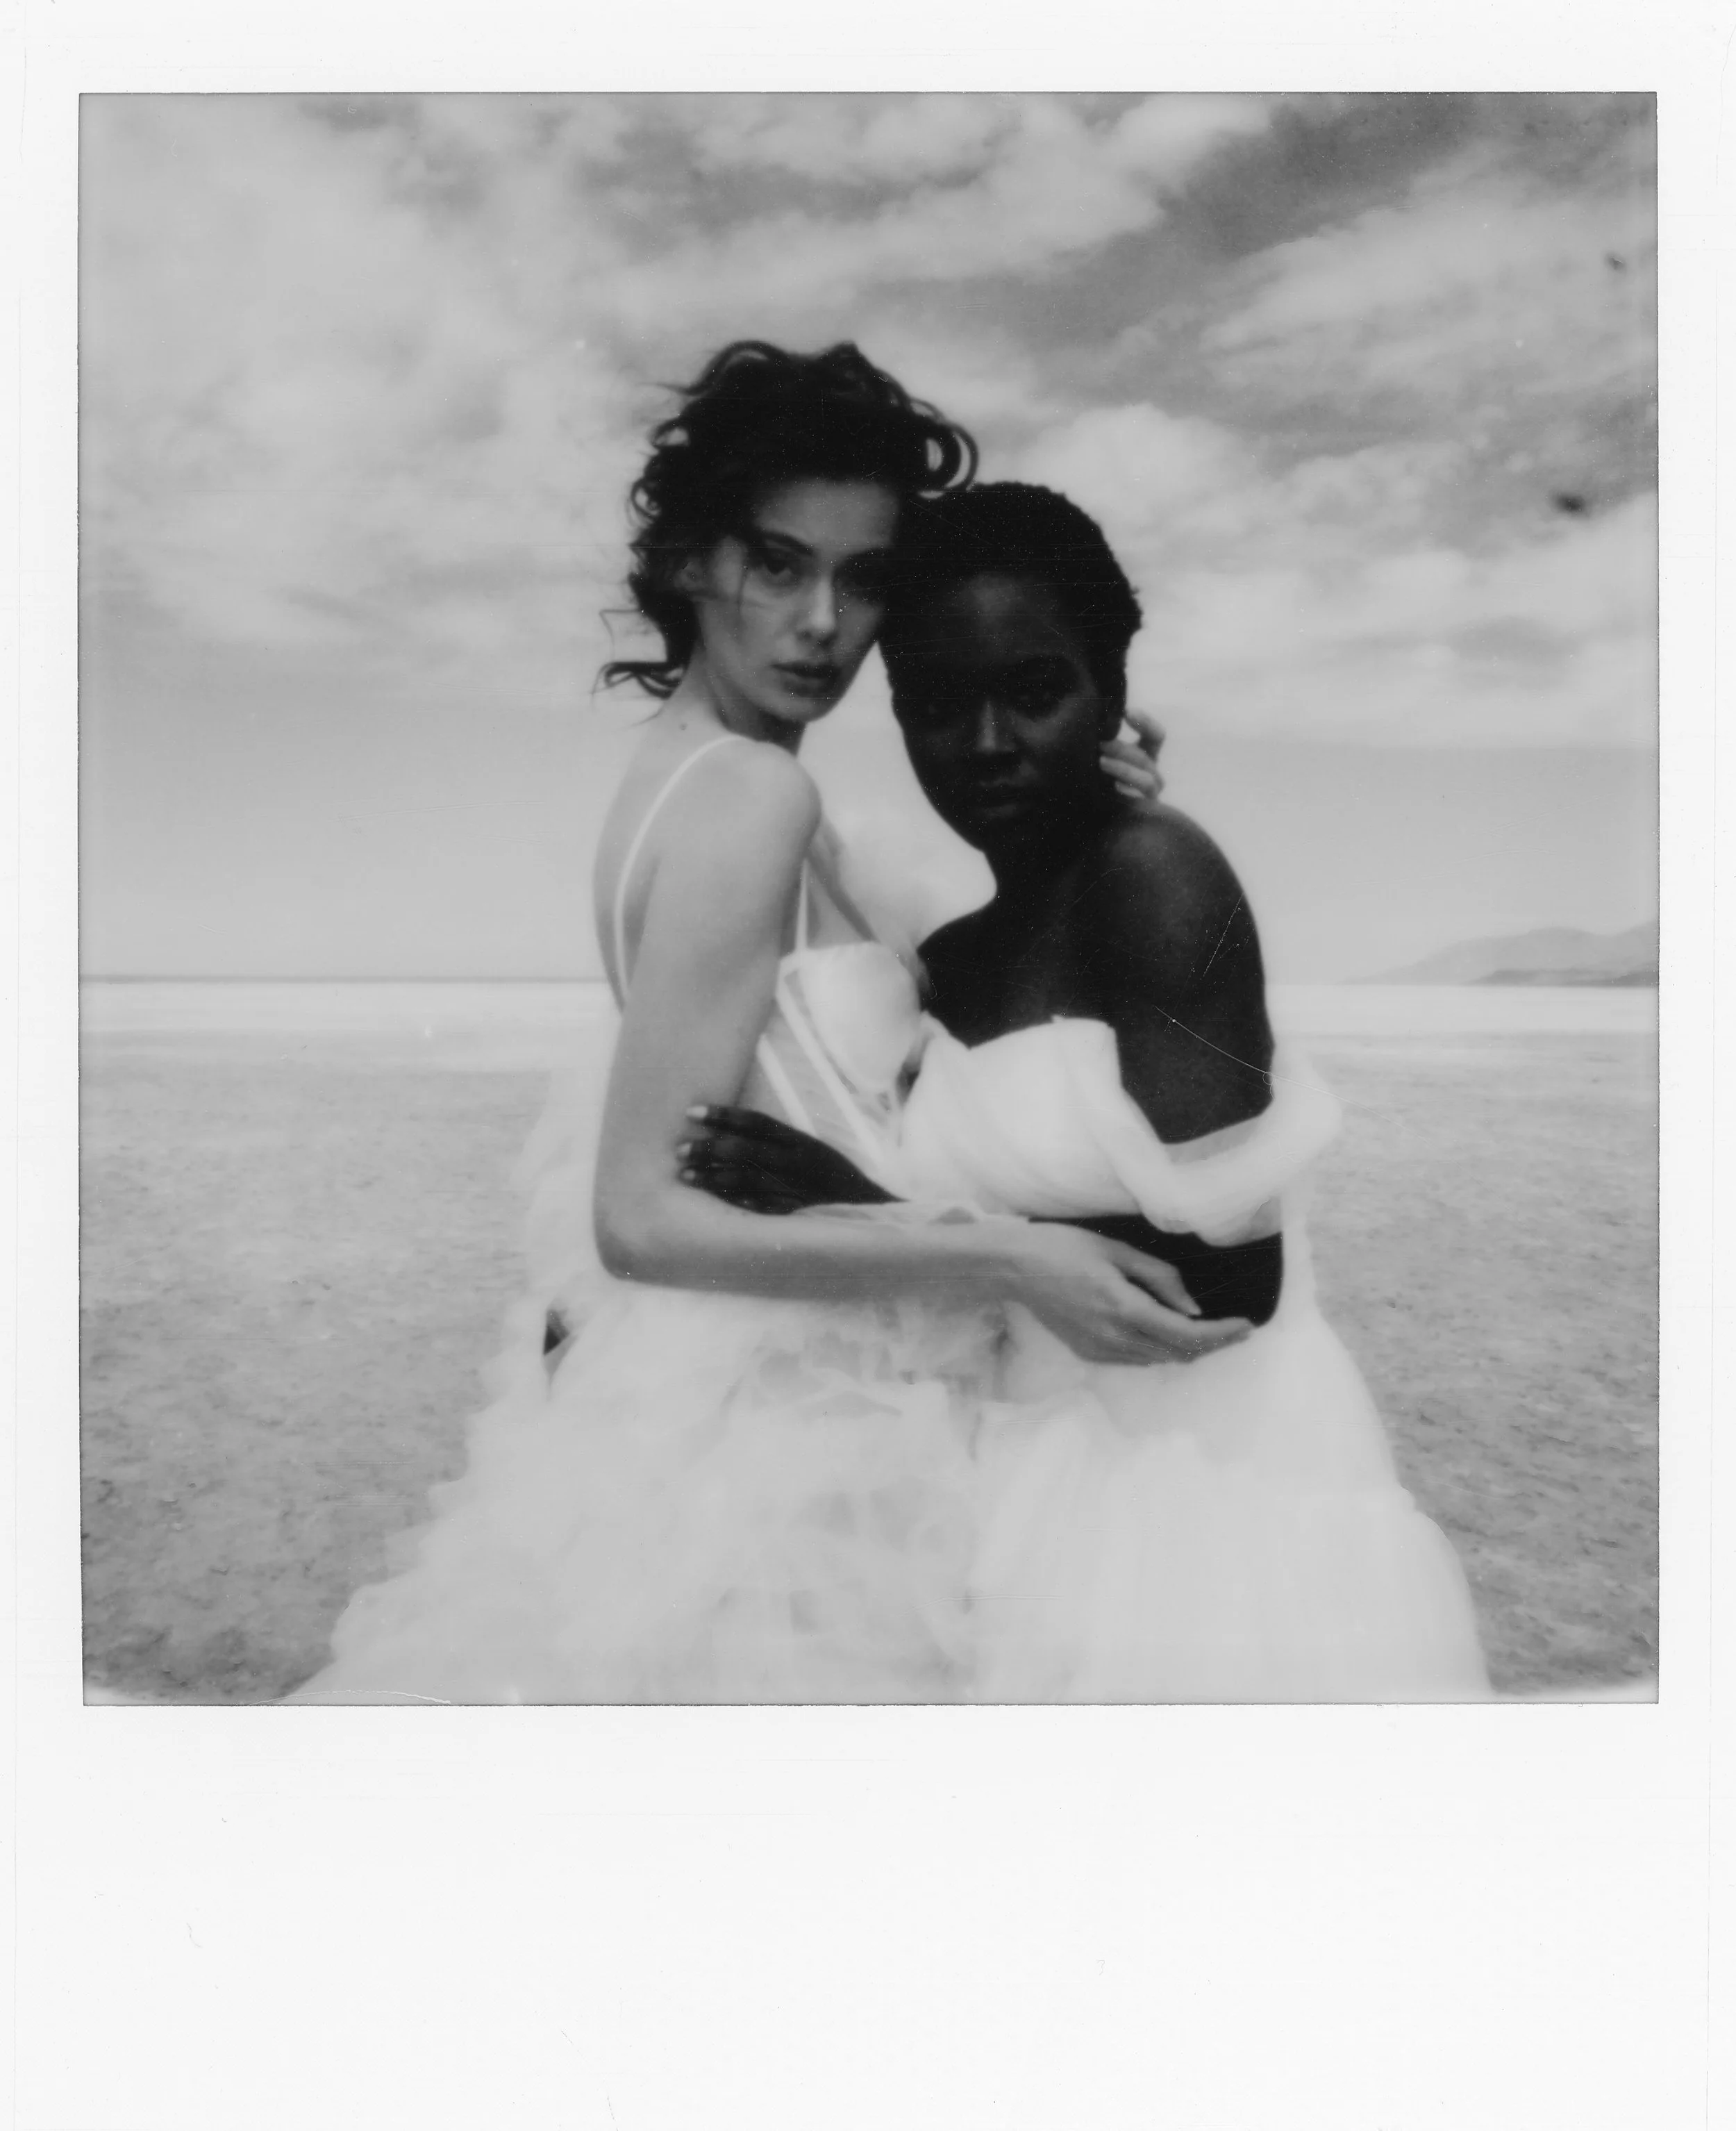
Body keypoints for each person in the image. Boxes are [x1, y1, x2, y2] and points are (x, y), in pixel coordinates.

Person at [293, 346, 1242, 1706]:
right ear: (688, 561)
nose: (821, 623)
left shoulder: (682, 780)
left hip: (761, 1412)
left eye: (862, 581)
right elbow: (638, 1216)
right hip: (801, 1444)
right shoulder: (747, 795)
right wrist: (1013, 1260)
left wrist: (1090, 811)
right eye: (778, 565)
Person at [687, 482, 1492, 1702]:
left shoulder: (1158, 882)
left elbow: (1232, 1282)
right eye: (941, 705)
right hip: (1011, 1478)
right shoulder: (957, 957)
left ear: (1112, 693)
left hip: (1201, 1514)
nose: (990, 744)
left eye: (1037, 690)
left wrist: (880, 1211)